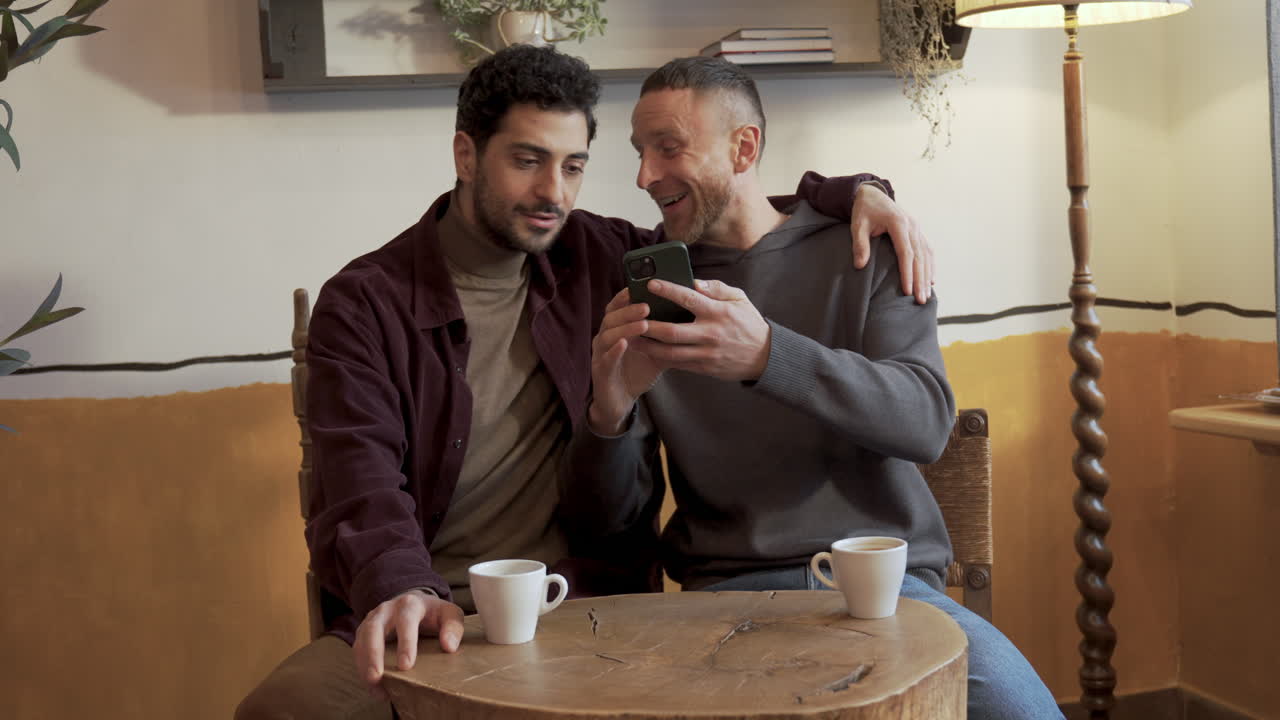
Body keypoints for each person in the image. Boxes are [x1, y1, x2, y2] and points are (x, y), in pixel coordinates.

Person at [236, 45, 933, 720]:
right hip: (425, 607)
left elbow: (730, 208)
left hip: (587, 610)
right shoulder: (367, 302)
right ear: (466, 155)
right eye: (527, 161)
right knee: (286, 708)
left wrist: (853, 194)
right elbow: (357, 481)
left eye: (573, 166)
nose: (553, 193)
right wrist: (401, 586)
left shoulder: (603, 258)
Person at [558, 56, 1064, 720]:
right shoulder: (655, 298)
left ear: (744, 148)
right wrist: (609, 411)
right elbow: (606, 525)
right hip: (725, 605)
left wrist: (768, 354)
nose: (645, 176)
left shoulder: (866, 247)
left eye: (669, 149)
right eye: (640, 152)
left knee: (1024, 712)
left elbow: (925, 424)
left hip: (889, 591)